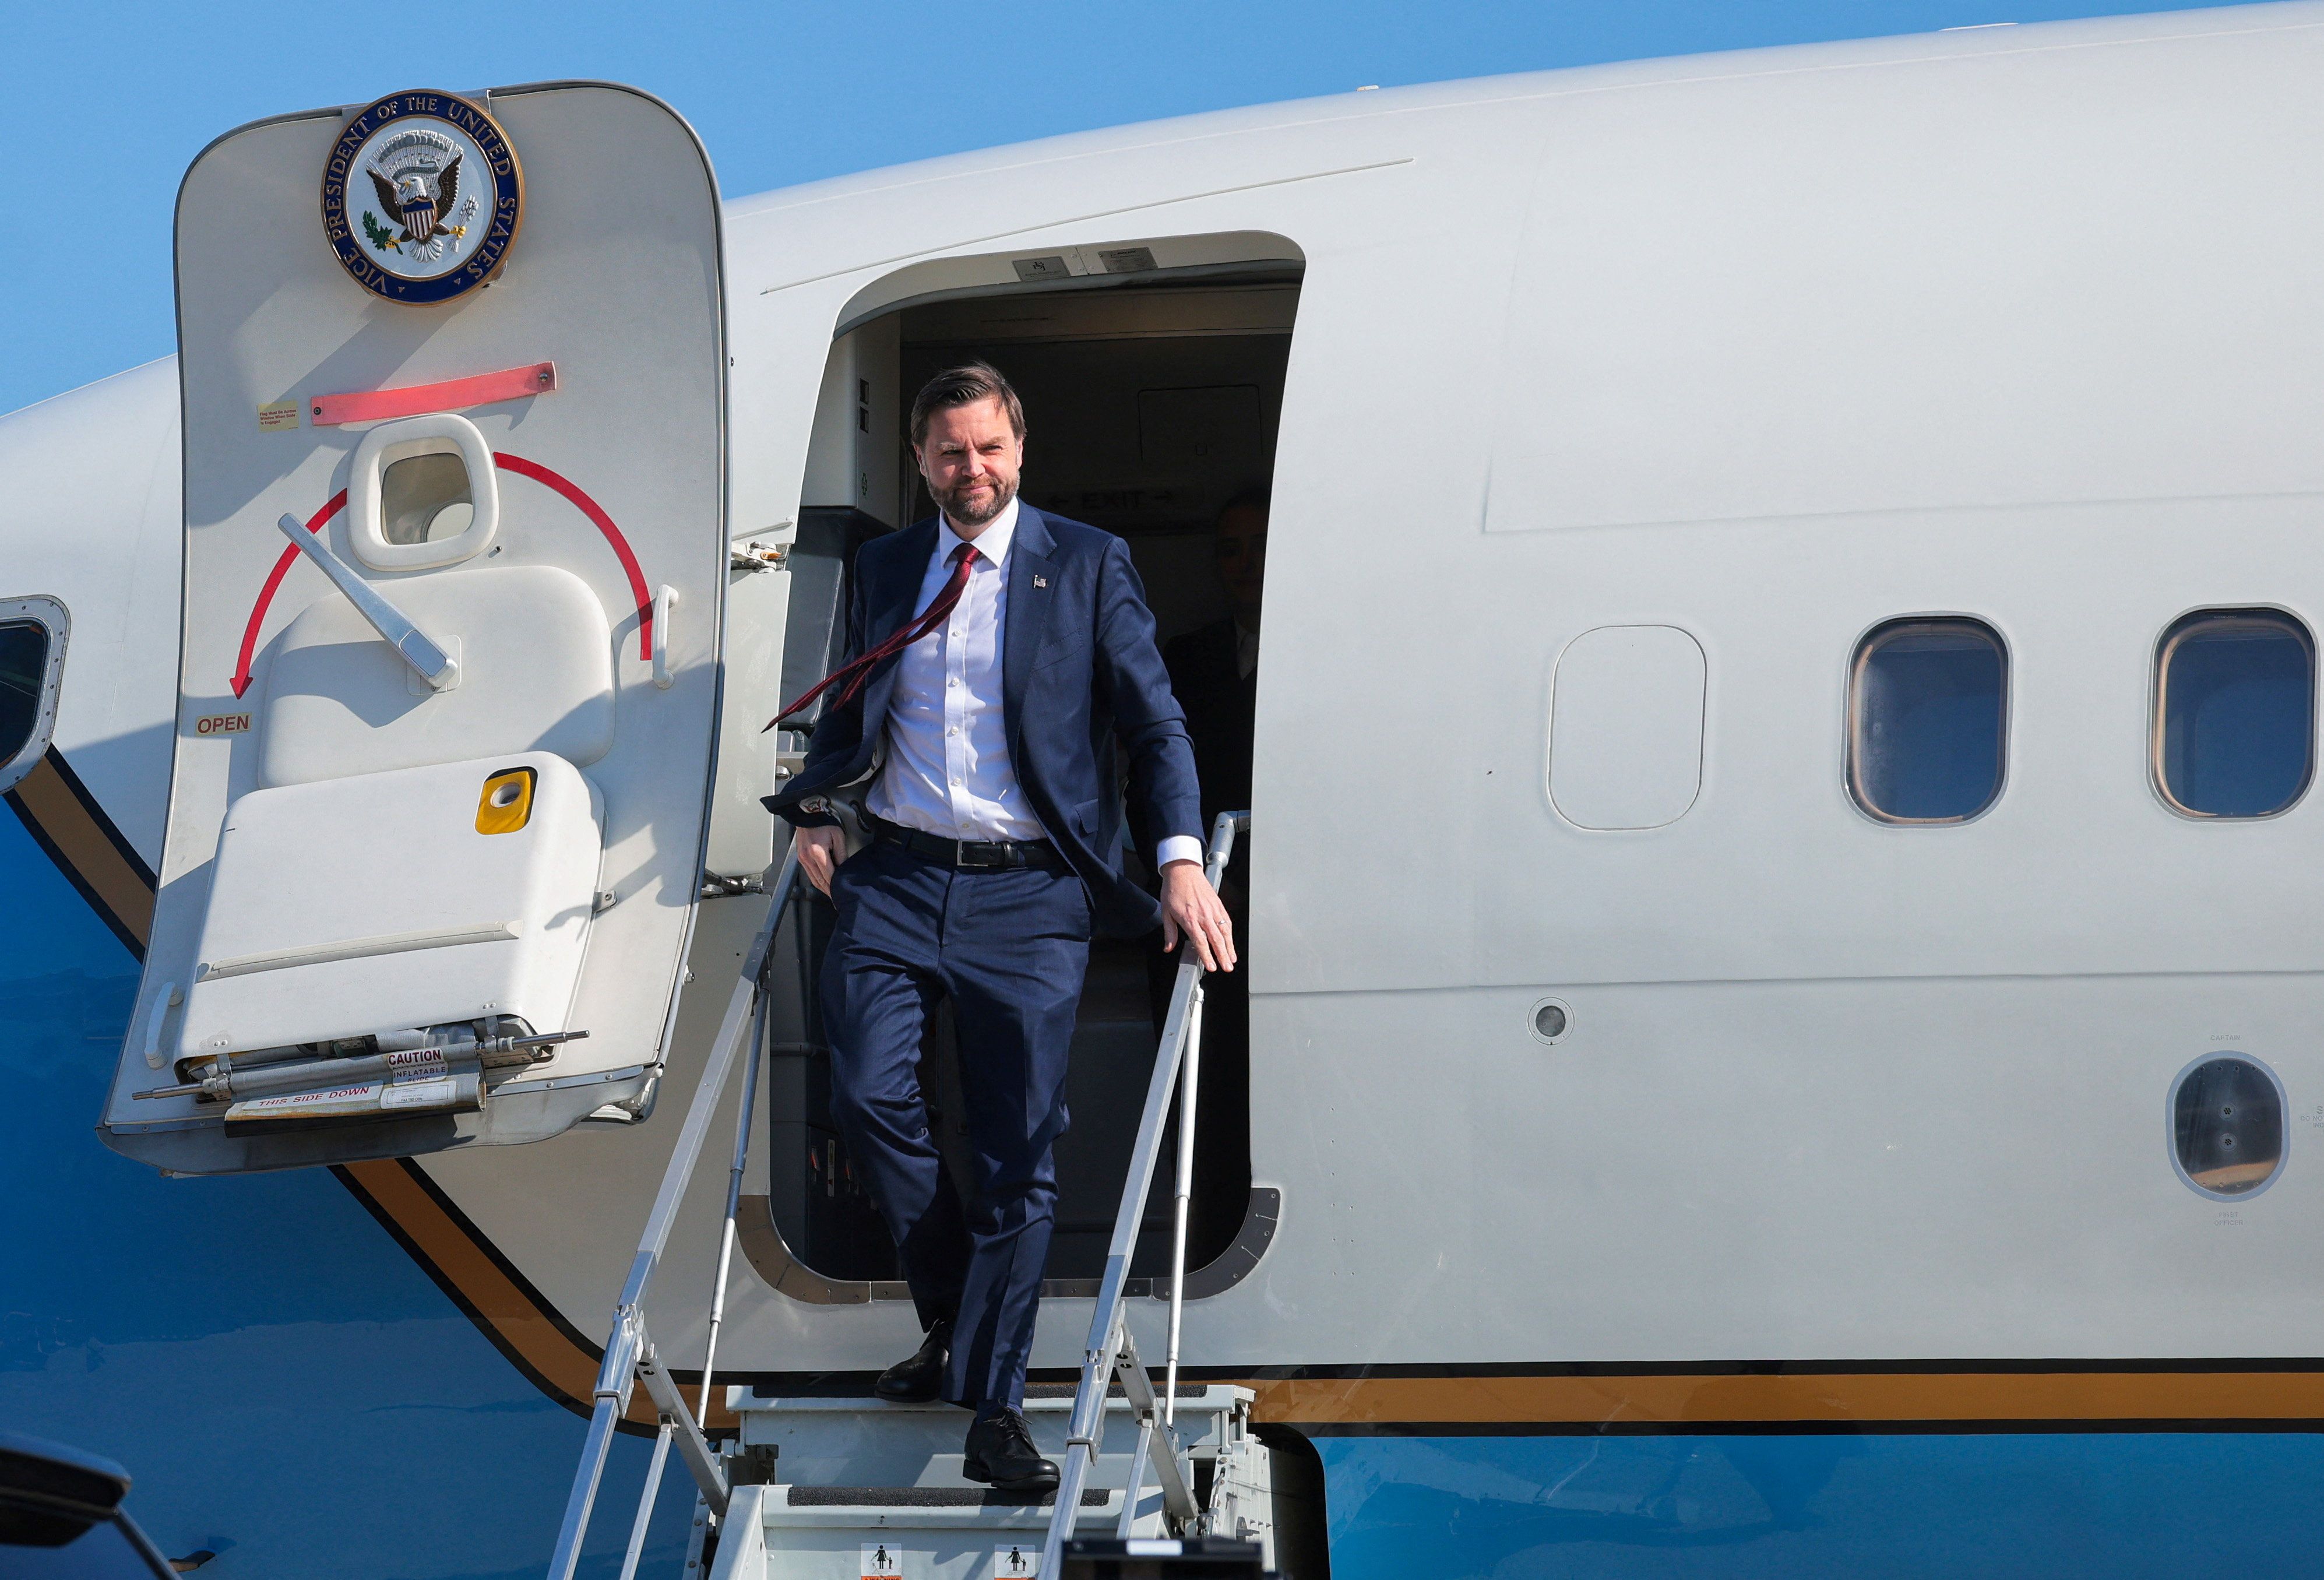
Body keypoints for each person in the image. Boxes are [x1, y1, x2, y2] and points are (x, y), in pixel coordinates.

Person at [765, 362, 1236, 1492]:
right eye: (946, 453)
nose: (968, 470)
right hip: (898, 881)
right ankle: (955, 1322)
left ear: (1017, 450)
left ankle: (990, 1407)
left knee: (1016, 1152)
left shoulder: (1082, 562)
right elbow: (853, 709)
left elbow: (1155, 721)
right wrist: (824, 810)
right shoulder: (886, 567)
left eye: (986, 449)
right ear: (920, 461)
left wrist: (1178, 859)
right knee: (867, 1099)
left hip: (1030, 896)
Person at [1152, 489, 1264, 1264]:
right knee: (1203, 1094)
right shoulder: (1184, 663)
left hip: (1312, 911)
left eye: (1259, 544)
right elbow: (1147, 782)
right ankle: (1206, 1262)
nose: (1246, 564)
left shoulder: (1339, 662)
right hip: (1202, 905)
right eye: (1229, 549)